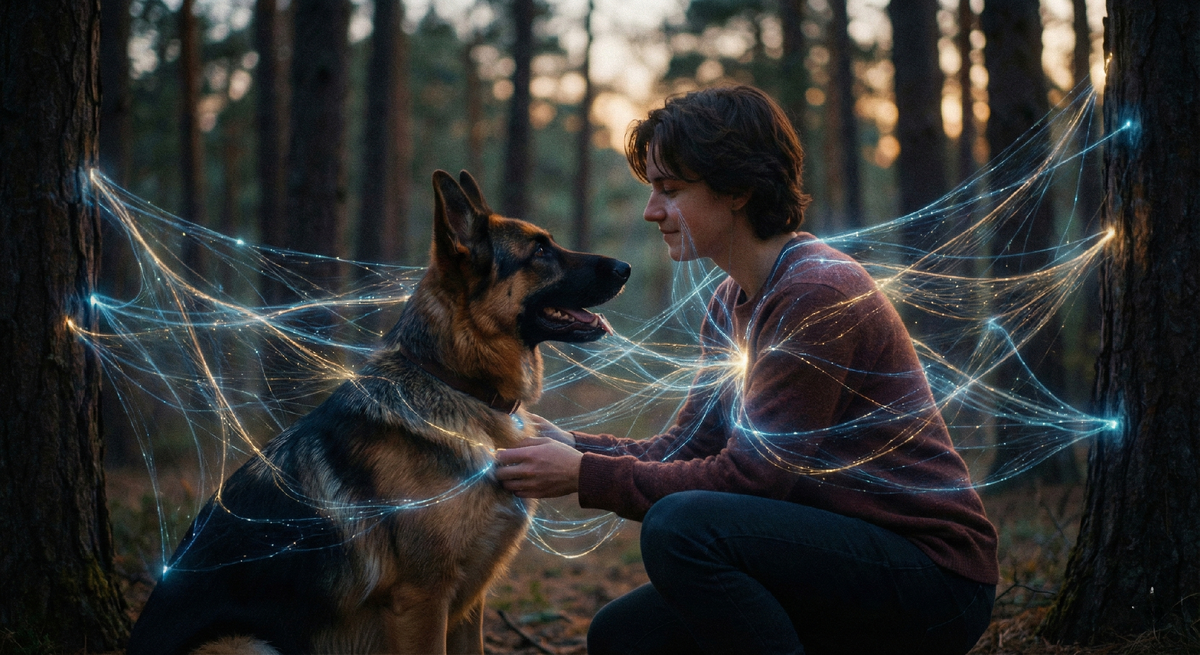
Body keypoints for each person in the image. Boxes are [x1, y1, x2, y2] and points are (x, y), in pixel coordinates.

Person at [494, 85, 997, 655]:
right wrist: (571, 444)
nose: (652, 210)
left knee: (682, 528)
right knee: (622, 636)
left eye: (671, 189)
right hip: (835, 562)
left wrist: (584, 474)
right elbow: (688, 445)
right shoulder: (732, 298)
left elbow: (753, 481)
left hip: (931, 577)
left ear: (736, 189)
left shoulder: (817, 291)